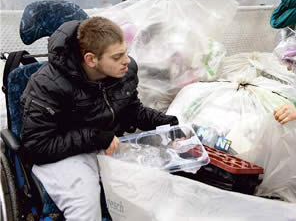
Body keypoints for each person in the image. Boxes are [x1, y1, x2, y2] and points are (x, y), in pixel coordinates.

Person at [21, 16, 179, 220]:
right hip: (60, 155)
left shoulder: (125, 72)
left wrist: (165, 122)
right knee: (85, 206)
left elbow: (131, 109)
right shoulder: (47, 85)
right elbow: (37, 147)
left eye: (126, 52)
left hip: (104, 143)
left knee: (153, 186)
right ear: (91, 59)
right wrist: (95, 137)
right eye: (117, 56)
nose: (127, 61)